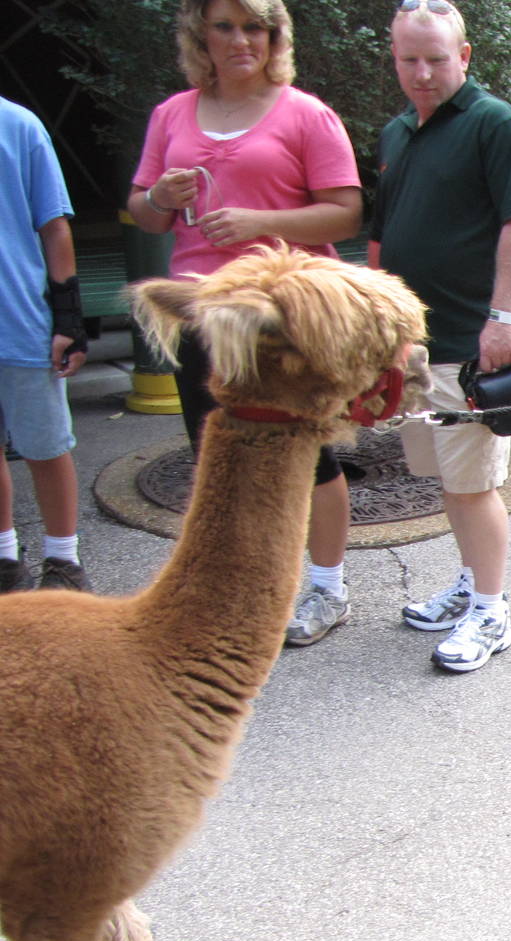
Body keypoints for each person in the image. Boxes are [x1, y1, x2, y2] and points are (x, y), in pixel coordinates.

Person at [129, 0, 363, 644]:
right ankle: (235, 589)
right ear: (200, 35)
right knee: (217, 456)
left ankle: (326, 589)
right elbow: (143, 213)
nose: (241, 40)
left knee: (308, 456)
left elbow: (345, 214)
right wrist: (159, 198)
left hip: (280, 322)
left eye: (255, 27)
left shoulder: (305, 113)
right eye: (226, 26)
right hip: (201, 315)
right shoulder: (171, 114)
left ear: (274, 36)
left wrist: (262, 223)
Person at [370, 0, 511, 673]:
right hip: (413, 344)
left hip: (468, 346)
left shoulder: (498, 125)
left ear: (464, 56)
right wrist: (382, 327)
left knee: (473, 484)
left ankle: (491, 611)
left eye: (436, 58)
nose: (421, 72)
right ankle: (473, 581)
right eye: (408, 59)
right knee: (445, 475)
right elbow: (383, 236)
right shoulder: (396, 133)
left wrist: (503, 318)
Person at [0, 97, 90, 594]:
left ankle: (63, 560)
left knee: (46, 446)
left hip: (18, 320)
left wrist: (68, 317)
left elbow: (54, 225)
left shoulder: (17, 124)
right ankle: (5, 560)